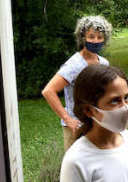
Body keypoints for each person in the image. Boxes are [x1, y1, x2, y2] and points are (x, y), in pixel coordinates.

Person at [42, 15, 112, 150]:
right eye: (91, 36)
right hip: (77, 126)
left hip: (97, 124)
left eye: (100, 37)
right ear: (83, 38)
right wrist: (68, 120)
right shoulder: (75, 65)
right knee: (76, 167)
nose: (96, 41)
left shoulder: (103, 63)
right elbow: (48, 91)